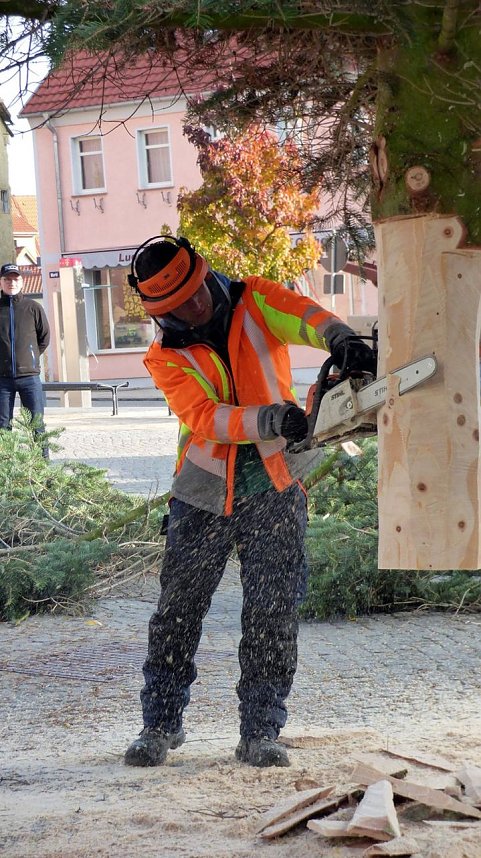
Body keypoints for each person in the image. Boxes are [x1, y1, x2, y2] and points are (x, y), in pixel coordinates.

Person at [124, 235, 375, 768]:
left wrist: (341, 338)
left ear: (206, 273)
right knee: (177, 612)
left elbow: (305, 316)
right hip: (202, 495)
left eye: (197, 293)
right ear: (159, 313)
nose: (195, 307)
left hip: (276, 485)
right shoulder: (164, 357)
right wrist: (270, 419)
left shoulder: (255, 300)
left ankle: (261, 729)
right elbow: (204, 417)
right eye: (180, 307)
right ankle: (159, 723)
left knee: (272, 613)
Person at [0, 263, 50, 456]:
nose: (12, 282)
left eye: (15, 279)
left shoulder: (33, 308)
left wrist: (30, 357)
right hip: (2, 380)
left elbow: (44, 338)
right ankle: (6, 472)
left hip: (30, 378)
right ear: (1, 282)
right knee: (3, 427)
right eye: (7, 279)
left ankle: (41, 471)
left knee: (36, 425)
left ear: (22, 281)